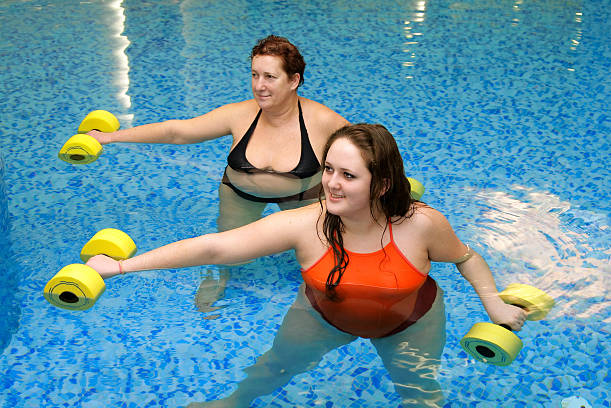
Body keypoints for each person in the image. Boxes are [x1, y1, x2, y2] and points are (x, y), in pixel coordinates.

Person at [86, 124, 527, 407]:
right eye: (329, 169)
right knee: (274, 367)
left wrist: (494, 305)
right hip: (322, 314)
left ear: (383, 184)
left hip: (410, 321)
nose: (331, 184)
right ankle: (234, 402)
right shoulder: (304, 224)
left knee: (420, 395)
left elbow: (467, 257)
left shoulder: (422, 224)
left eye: (348, 176)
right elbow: (216, 248)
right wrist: (123, 268)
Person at [88, 35, 348, 314]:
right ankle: (222, 279)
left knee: (323, 256)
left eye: (270, 77)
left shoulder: (323, 121)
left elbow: (368, 152)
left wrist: (393, 185)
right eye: (254, 75)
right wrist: (111, 137)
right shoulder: (239, 115)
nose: (259, 86)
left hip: (304, 196)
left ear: (293, 80)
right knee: (230, 254)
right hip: (241, 195)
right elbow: (177, 132)